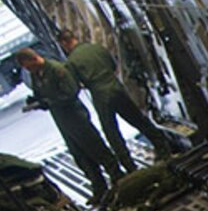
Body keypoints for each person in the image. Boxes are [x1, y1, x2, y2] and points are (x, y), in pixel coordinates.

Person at [58, 27, 172, 174]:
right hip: (116, 88)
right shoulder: (97, 48)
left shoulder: (71, 62)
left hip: (100, 94)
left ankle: (130, 166)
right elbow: (112, 65)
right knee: (138, 119)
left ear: (64, 43)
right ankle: (162, 147)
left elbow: (75, 85)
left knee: (112, 132)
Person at [15, 47, 123, 202]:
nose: (29, 70)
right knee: (80, 155)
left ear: (34, 59)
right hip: (63, 121)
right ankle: (99, 187)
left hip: (75, 117)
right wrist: (35, 100)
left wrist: (49, 102)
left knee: (96, 148)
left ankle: (118, 178)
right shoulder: (36, 75)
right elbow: (41, 92)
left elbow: (71, 92)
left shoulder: (57, 70)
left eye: (28, 66)